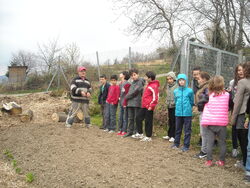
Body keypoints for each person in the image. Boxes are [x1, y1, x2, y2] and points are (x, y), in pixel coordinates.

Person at [201, 76, 230, 167]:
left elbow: (200, 103)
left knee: (210, 142)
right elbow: (230, 105)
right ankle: (221, 161)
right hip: (222, 123)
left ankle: (209, 161)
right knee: (222, 143)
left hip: (210, 122)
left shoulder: (208, 95)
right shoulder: (227, 95)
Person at [230, 62, 250, 176]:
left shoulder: (242, 82)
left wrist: (233, 118)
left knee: (243, 139)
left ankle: (245, 161)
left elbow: (237, 102)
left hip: (242, 113)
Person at [172, 74, 194, 152]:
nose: (181, 82)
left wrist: (188, 108)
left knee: (187, 130)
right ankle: (176, 143)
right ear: (178, 81)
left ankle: (186, 145)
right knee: (178, 129)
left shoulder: (190, 91)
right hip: (178, 113)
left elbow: (192, 102)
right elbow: (175, 100)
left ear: (186, 81)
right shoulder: (175, 91)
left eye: (183, 80)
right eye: (180, 80)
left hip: (187, 113)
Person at [136, 71, 160, 141]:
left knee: (148, 121)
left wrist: (151, 106)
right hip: (144, 106)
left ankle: (148, 136)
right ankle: (140, 133)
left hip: (149, 107)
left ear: (150, 78)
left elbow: (156, 97)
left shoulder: (154, 86)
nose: (145, 78)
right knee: (138, 118)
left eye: (146, 77)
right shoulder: (148, 85)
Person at [228, 64, 245, 158]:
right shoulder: (232, 82)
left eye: (242, 70)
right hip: (235, 107)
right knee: (234, 127)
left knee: (242, 129)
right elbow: (231, 96)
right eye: (239, 70)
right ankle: (235, 147)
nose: (240, 72)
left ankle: (244, 148)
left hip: (245, 108)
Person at [124, 68, 145, 138]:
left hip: (136, 103)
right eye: (132, 76)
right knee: (130, 118)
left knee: (137, 118)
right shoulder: (132, 82)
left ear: (137, 74)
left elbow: (135, 92)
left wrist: (126, 97)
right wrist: (128, 97)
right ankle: (130, 131)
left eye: (134, 75)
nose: (133, 77)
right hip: (130, 103)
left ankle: (137, 132)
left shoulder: (140, 82)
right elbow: (130, 91)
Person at [194, 72, 210, 158]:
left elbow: (206, 99)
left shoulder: (207, 87)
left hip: (205, 112)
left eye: (199, 78)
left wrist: (199, 104)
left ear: (204, 79)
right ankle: (205, 150)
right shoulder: (203, 87)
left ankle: (204, 151)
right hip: (202, 111)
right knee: (203, 132)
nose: (198, 80)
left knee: (204, 132)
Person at [163, 71, 178, 142]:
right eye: (168, 79)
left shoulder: (177, 86)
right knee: (170, 120)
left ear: (174, 79)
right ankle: (169, 134)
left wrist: (174, 102)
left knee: (174, 120)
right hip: (169, 106)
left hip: (175, 106)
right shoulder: (168, 86)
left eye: (170, 79)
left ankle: (173, 136)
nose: (169, 80)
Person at [117, 71, 130, 136]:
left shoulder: (127, 84)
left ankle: (124, 130)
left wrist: (125, 102)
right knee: (120, 116)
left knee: (125, 117)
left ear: (124, 75)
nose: (120, 74)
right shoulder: (120, 83)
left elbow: (127, 94)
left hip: (125, 103)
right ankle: (120, 129)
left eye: (121, 73)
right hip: (120, 102)